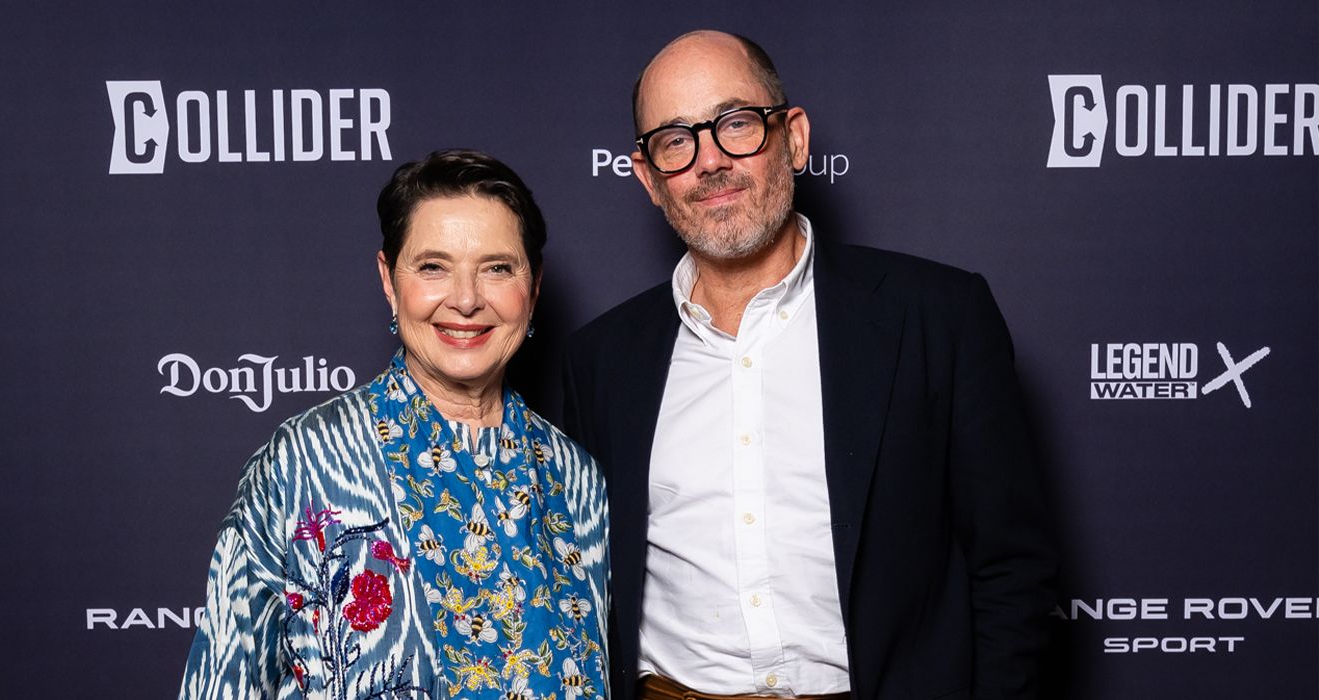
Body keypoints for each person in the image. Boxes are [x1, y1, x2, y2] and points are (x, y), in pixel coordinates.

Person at [562, 31, 1055, 700]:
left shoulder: (939, 316)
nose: (710, 161)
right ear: (648, 177)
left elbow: (1012, 572)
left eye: (736, 124)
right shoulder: (601, 360)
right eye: (676, 141)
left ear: (793, 138)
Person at [180, 149, 609, 700]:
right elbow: (220, 685)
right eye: (433, 267)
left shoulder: (576, 480)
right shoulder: (305, 461)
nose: (466, 299)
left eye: (497, 268)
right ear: (389, 279)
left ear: (535, 285)